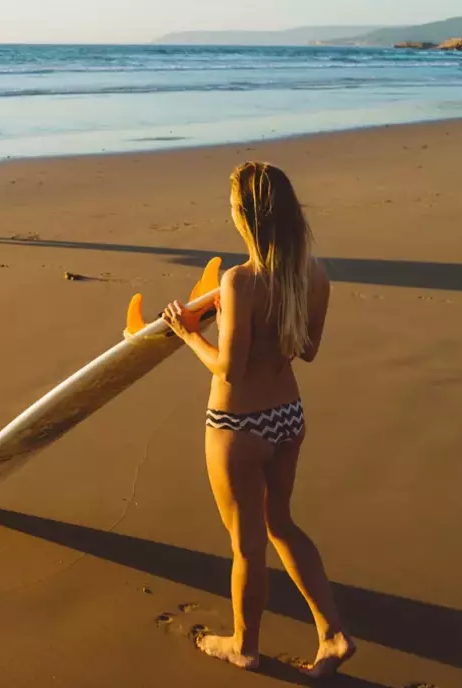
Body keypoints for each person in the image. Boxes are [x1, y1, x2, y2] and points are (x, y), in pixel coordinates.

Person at [160, 162, 355, 677]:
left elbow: (230, 369)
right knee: (282, 524)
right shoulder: (313, 274)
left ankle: (244, 645)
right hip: (287, 418)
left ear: (245, 216)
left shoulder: (241, 280)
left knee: (246, 546)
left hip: (238, 426)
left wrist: (187, 334)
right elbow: (307, 351)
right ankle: (332, 634)